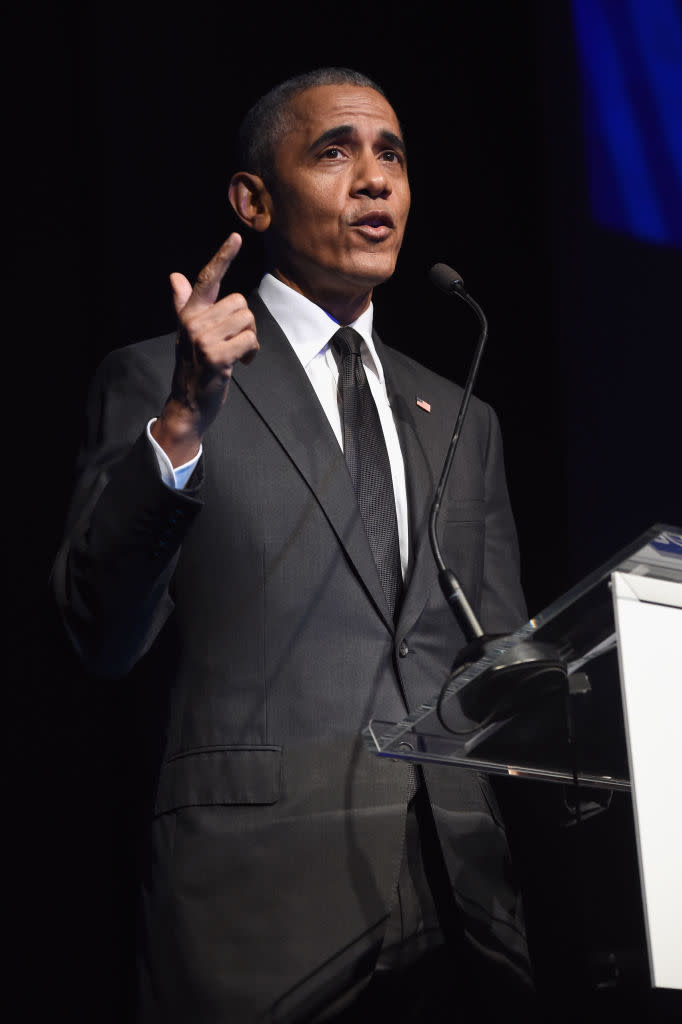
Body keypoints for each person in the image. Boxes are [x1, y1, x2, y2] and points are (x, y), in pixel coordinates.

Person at [52, 67, 534, 1022]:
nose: (375, 180)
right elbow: (98, 632)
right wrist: (186, 421)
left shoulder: (460, 418)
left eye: (391, 154)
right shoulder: (161, 379)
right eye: (335, 152)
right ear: (253, 199)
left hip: (461, 913)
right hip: (259, 912)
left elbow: (506, 677)